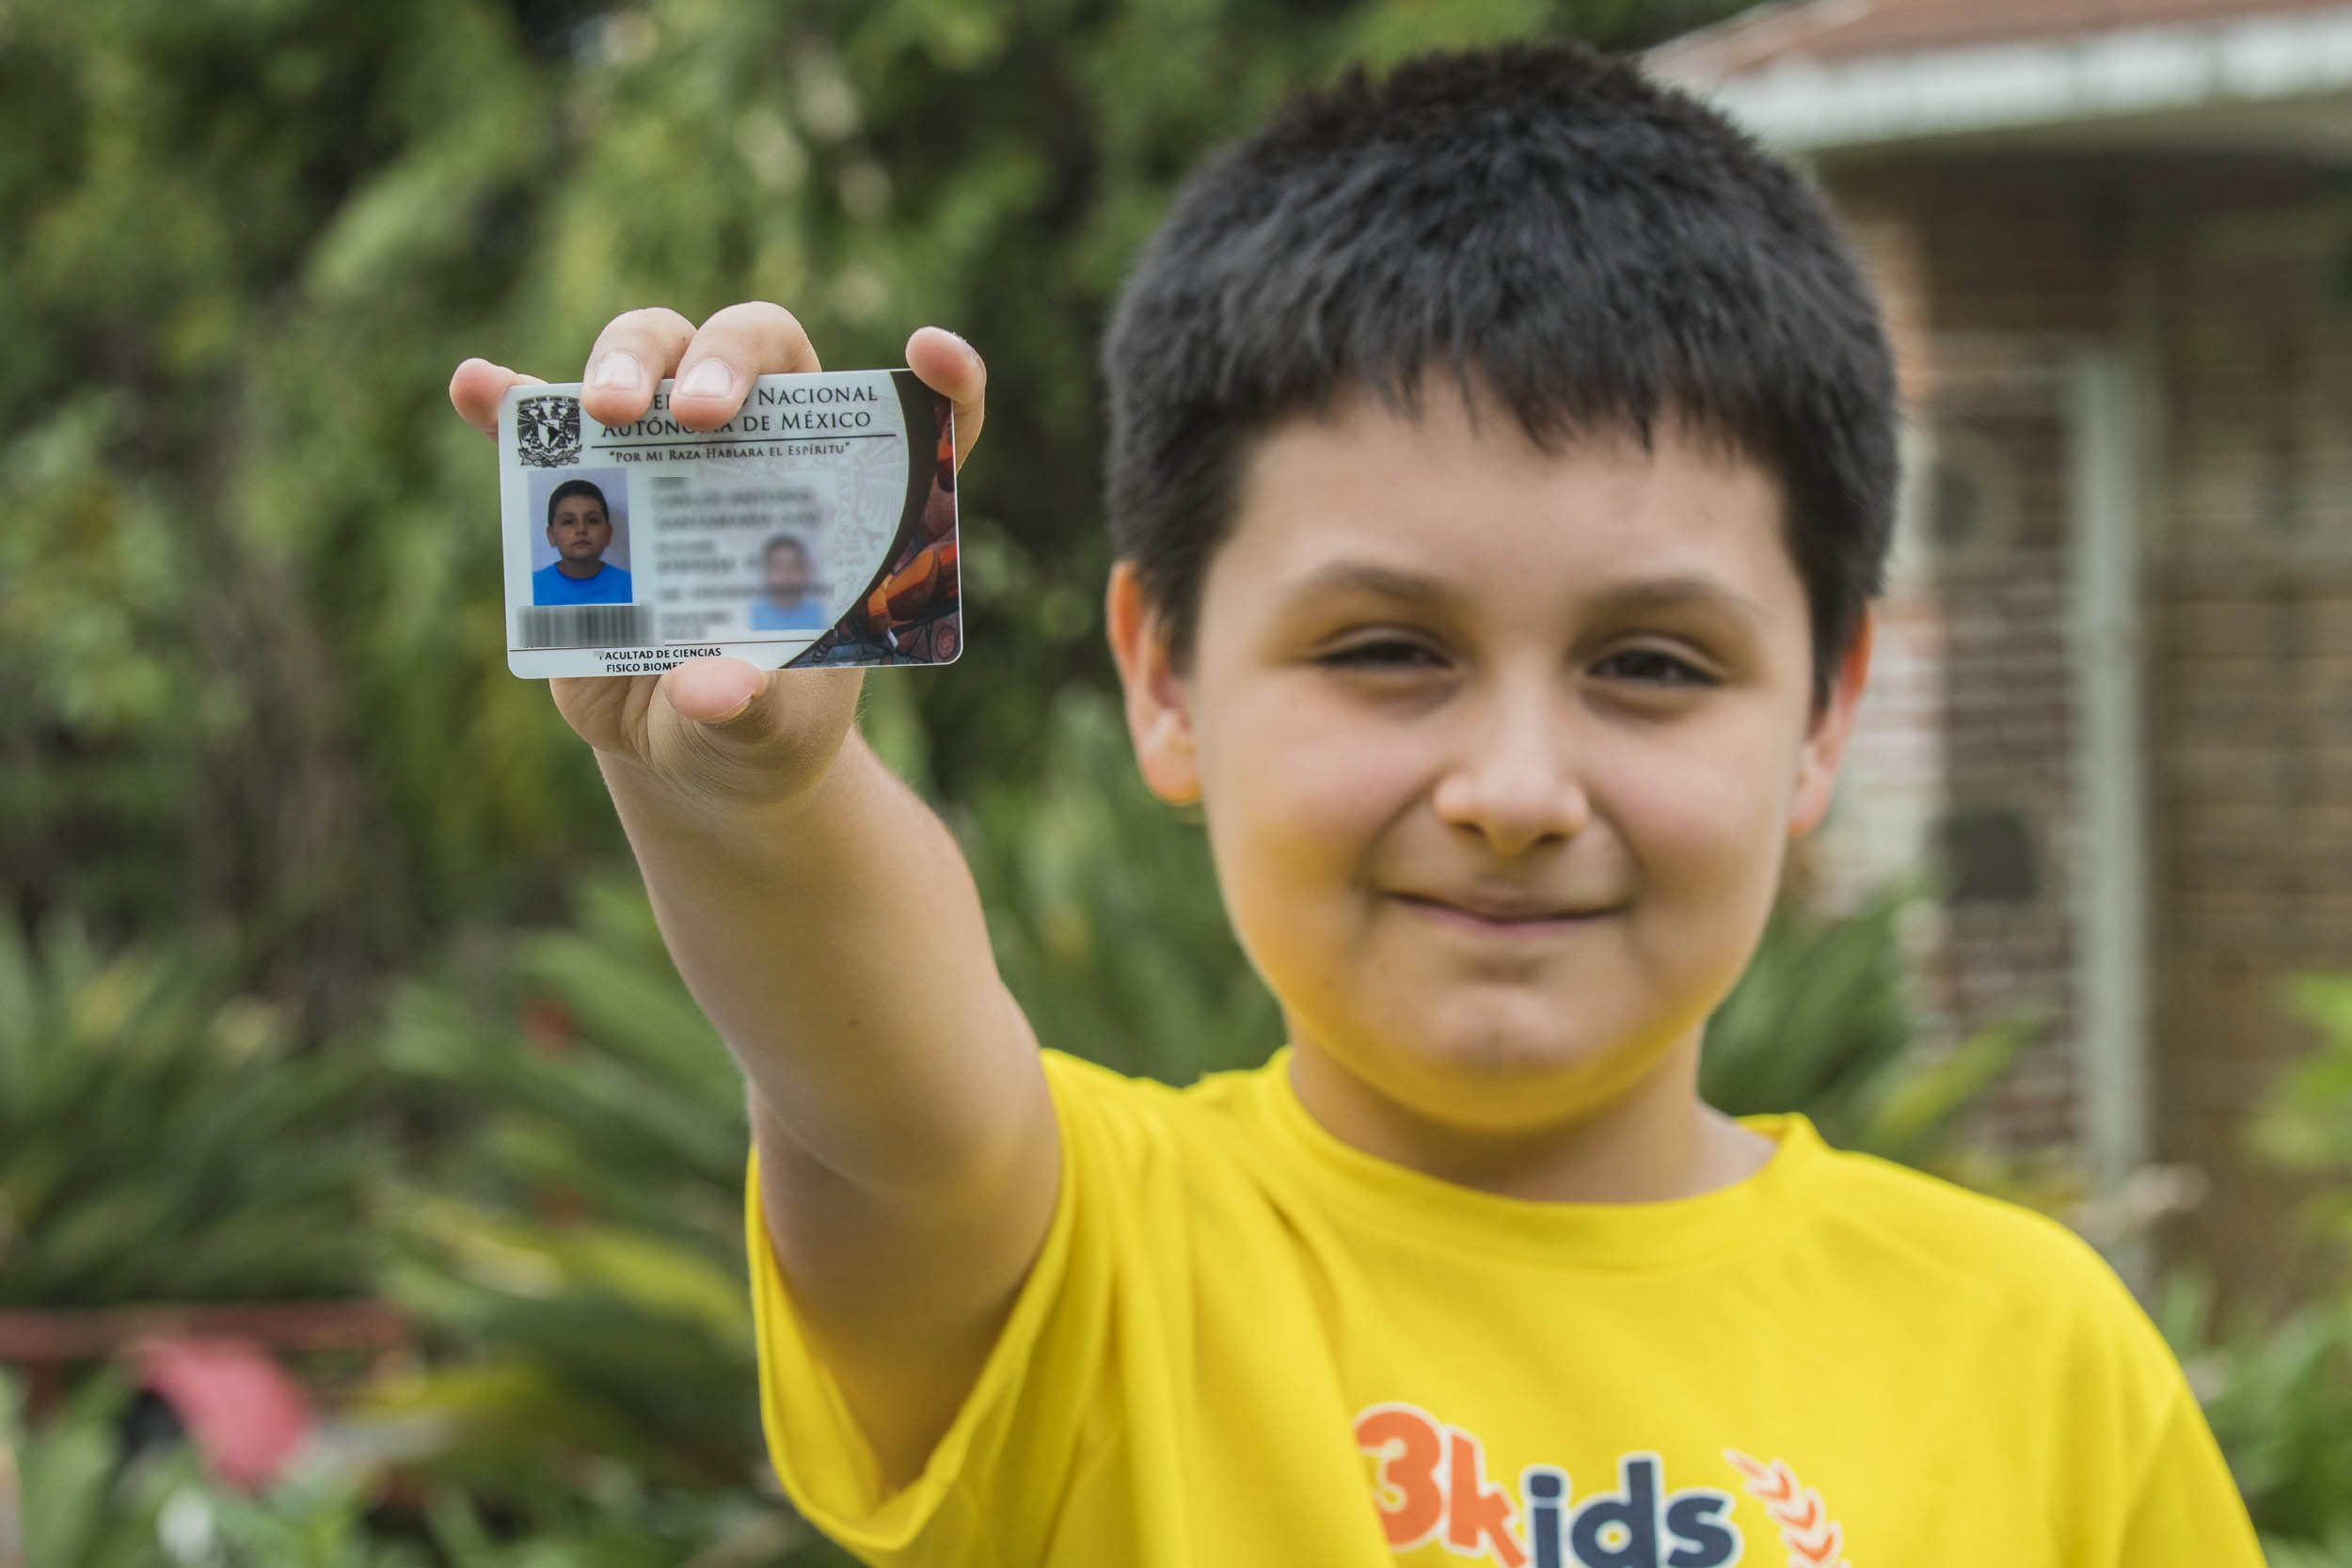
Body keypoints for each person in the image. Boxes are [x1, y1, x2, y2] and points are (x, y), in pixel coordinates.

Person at [448, 43, 2263, 1568]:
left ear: (1825, 712)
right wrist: (754, 786)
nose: (1516, 792)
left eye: (1651, 663)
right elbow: (873, 1078)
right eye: (1390, 648)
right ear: (1165, 676)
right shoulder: (1071, 1261)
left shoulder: (2045, 1358)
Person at [532, 478, 633, 605]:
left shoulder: (630, 587)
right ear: (551, 535)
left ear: (608, 533)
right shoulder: (531, 588)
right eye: (568, 521)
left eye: (592, 521)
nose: (581, 529)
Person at [750, 534, 829, 630]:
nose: (785, 576)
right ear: (765, 572)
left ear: (805, 572)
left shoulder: (824, 615)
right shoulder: (748, 618)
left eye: (793, 567)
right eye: (777, 568)